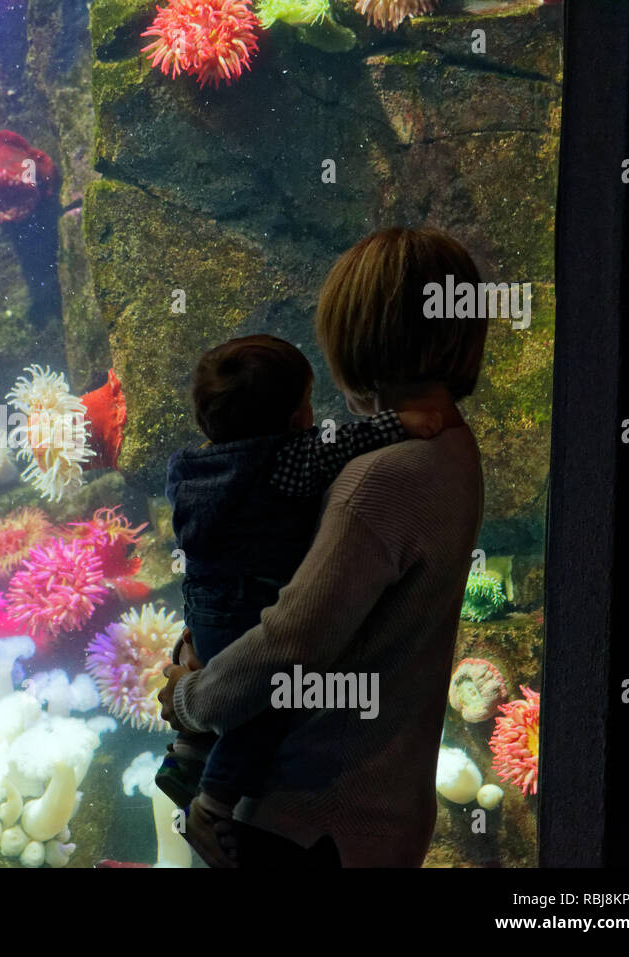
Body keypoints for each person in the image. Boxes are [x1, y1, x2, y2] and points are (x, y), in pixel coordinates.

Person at [158, 227, 486, 868]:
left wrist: (189, 701)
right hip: (375, 817)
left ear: (360, 335)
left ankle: (204, 788)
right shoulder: (452, 451)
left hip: (308, 825)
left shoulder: (381, 478)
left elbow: (288, 642)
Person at [157, 335, 442, 815]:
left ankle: (185, 759)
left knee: (212, 678)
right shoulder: (286, 459)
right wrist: (406, 423)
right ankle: (215, 798)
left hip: (202, 605)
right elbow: (350, 440)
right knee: (266, 701)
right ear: (295, 419)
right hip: (254, 604)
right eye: (307, 404)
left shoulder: (188, 467)